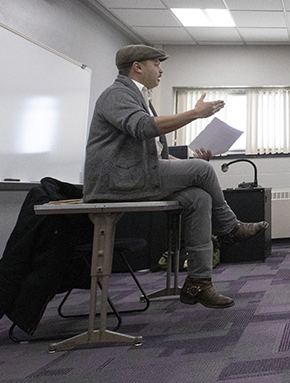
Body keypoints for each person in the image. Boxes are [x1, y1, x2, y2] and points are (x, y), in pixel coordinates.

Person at [83, 45, 268, 309]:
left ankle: (199, 282)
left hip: (139, 174)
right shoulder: (116, 94)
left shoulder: (140, 97)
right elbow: (144, 129)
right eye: (156, 64)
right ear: (137, 66)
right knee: (202, 171)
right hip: (117, 180)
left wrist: (189, 166)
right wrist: (196, 113)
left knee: (198, 196)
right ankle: (230, 227)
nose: (160, 70)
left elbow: (153, 153)